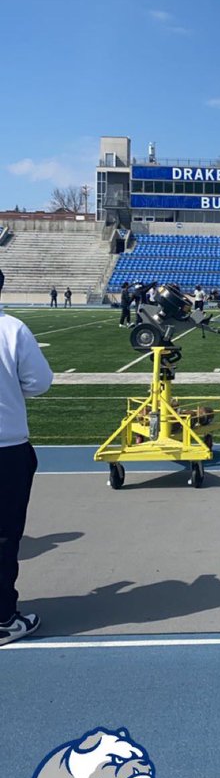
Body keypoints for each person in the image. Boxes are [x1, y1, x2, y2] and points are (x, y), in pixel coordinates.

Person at [0, 269, 53, 644]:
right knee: (3, 537)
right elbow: (39, 382)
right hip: (6, 448)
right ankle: (3, 618)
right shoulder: (11, 329)